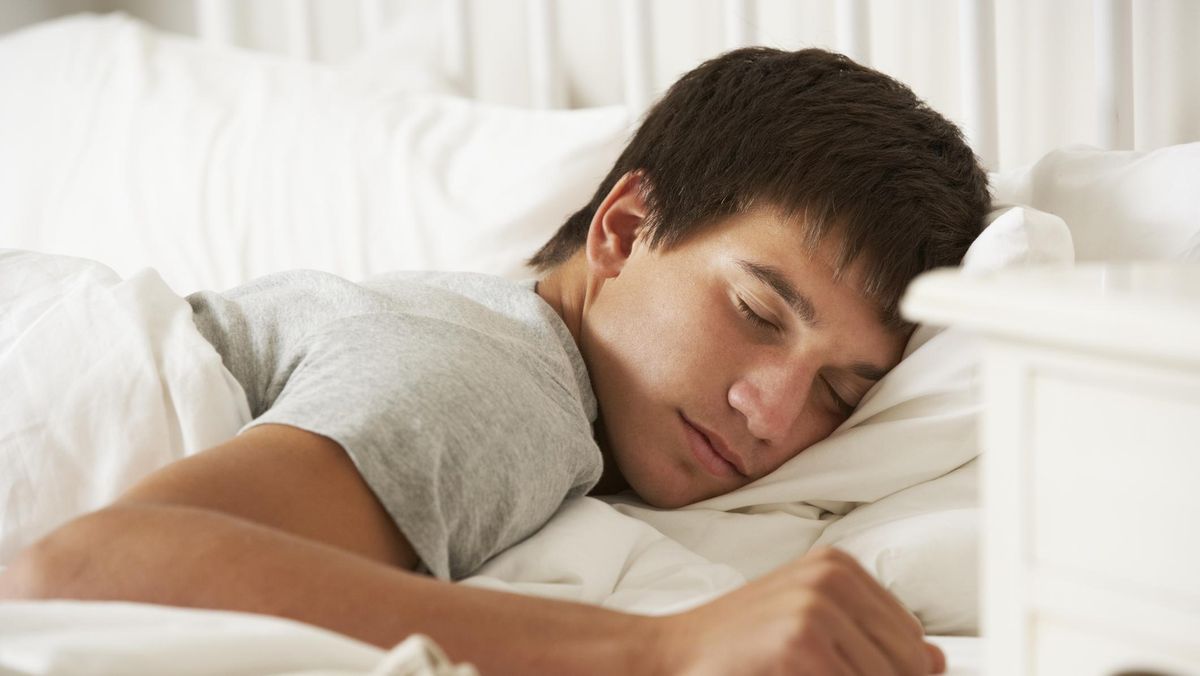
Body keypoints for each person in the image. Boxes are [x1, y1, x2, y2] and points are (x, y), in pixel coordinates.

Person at [0, 47, 988, 675]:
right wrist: (663, 650)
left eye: (836, 391)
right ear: (626, 227)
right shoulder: (504, 375)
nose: (771, 412)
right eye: (757, 311)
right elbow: (82, 570)